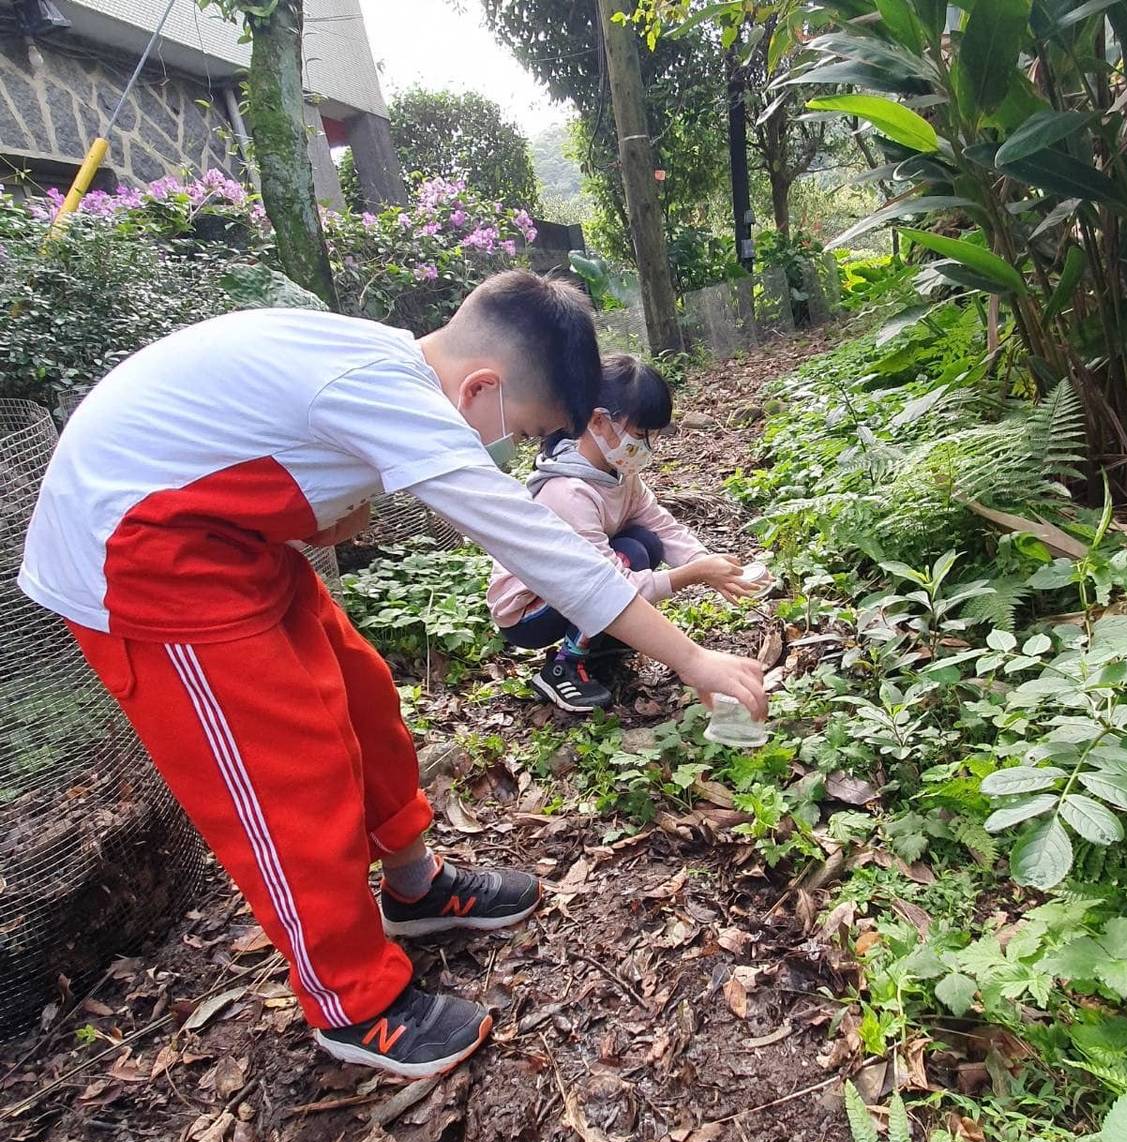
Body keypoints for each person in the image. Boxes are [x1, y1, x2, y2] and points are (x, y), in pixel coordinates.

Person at [19, 271, 765, 1080]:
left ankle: (415, 887)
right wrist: (694, 659)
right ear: (482, 388)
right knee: (286, 775)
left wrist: (337, 506)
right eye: (518, 428)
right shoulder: (396, 395)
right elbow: (549, 557)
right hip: (140, 559)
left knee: (364, 698)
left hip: (231, 540)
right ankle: (353, 1002)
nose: (507, 449)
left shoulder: (388, 365)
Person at [488, 354, 759, 711]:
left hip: (573, 586)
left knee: (644, 542)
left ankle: (600, 644)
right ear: (599, 421)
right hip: (528, 610)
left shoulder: (619, 474)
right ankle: (563, 667)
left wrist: (704, 560)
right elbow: (606, 585)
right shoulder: (568, 492)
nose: (647, 447)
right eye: (641, 435)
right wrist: (693, 574)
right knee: (628, 556)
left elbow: (658, 522)